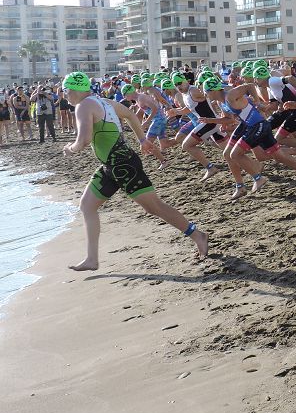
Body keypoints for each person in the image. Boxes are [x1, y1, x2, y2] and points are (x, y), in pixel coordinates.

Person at [59, 71, 207, 271]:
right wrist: (142, 139)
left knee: (154, 207)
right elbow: (129, 114)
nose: (64, 94)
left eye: (65, 90)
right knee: (87, 205)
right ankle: (91, 259)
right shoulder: (103, 101)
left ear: (75, 89)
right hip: (111, 166)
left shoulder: (83, 106)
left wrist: (70, 148)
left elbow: (83, 140)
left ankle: (198, 235)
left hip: (123, 165)